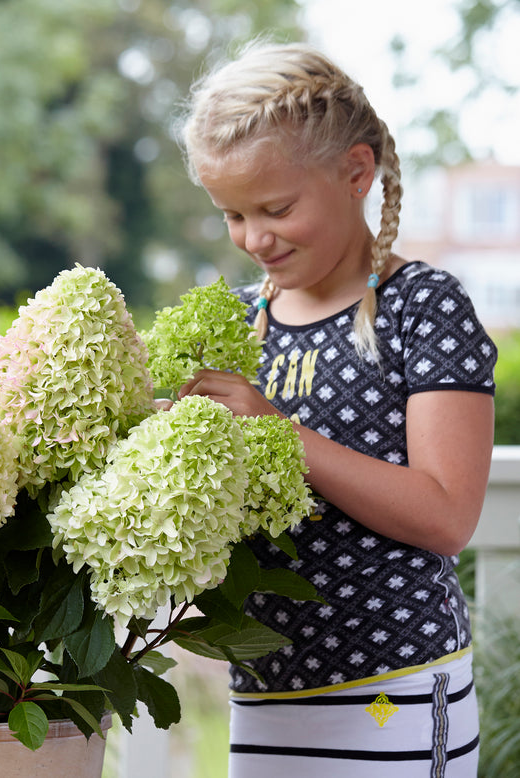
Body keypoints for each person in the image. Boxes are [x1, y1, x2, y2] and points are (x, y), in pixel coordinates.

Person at [175, 41, 497, 777]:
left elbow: (448, 515)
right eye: (232, 214)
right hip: (264, 694)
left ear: (357, 172)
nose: (254, 238)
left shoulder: (424, 307)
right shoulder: (233, 321)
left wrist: (276, 429)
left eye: (277, 209)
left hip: (400, 696)